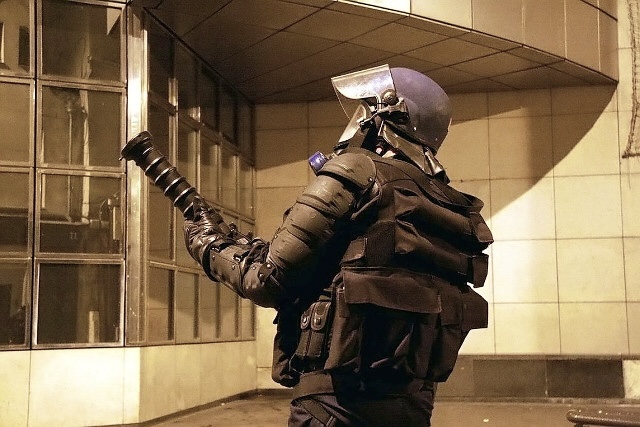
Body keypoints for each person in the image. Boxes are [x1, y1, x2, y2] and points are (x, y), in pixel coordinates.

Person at [183, 64, 493, 426]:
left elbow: (267, 279)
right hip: (412, 406)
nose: (357, 120)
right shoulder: (452, 207)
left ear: (386, 116)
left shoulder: (357, 170)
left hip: (333, 405)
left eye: (364, 109)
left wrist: (209, 244)